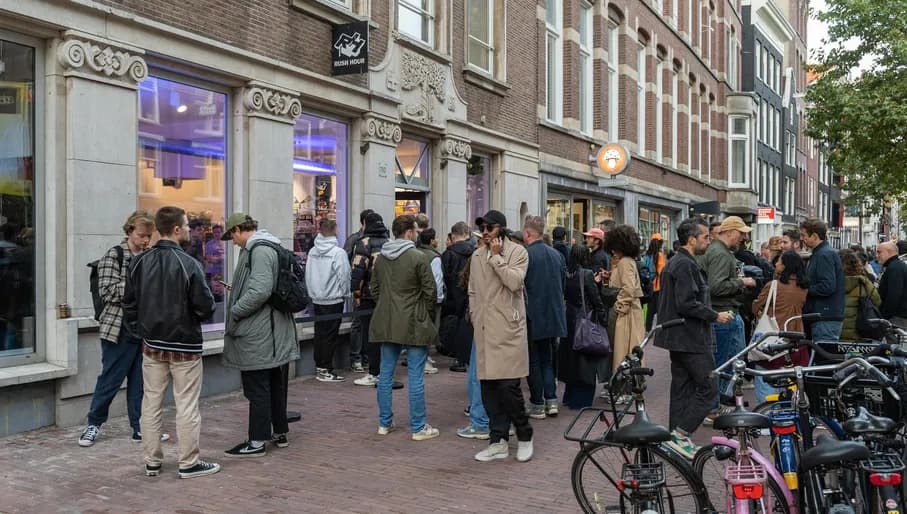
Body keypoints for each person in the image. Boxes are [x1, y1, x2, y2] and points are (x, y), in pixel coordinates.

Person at [123, 206, 220, 479]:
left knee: (151, 403)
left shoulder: (140, 261)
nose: (190, 229)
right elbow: (204, 306)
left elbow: (129, 304)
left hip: (152, 343)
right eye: (187, 225)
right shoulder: (189, 264)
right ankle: (188, 462)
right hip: (184, 345)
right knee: (186, 404)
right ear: (176, 229)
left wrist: (140, 330)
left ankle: (151, 460)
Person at [79, 211, 165, 447]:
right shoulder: (114, 255)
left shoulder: (149, 256)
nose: (146, 240)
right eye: (141, 235)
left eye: (149, 236)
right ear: (129, 232)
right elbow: (107, 291)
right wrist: (137, 281)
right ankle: (93, 425)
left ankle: (139, 428)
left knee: (140, 383)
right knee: (110, 380)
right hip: (118, 329)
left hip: (143, 328)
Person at [220, 213, 299, 457]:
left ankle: (256, 441)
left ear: (237, 230)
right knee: (273, 383)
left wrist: (235, 309)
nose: (233, 242)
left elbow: (260, 291)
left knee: (257, 387)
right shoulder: (267, 246)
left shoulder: (259, 250)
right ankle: (279, 432)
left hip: (261, 332)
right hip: (270, 330)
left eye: (232, 236)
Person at [654, 217, 731, 460]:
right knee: (709, 387)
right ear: (691, 239)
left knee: (682, 388)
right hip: (690, 337)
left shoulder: (678, 262)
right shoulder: (685, 265)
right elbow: (687, 303)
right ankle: (680, 433)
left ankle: (673, 440)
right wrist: (714, 315)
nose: (709, 241)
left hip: (677, 336)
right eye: (706, 237)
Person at [469, 210, 534, 463]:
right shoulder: (476, 256)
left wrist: (497, 259)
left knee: (509, 388)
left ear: (502, 229)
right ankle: (497, 441)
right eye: (482, 227)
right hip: (485, 329)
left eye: (490, 227)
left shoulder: (518, 252)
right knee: (488, 390)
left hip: (508, 330)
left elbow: (515, 282)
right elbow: (473, 290)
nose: (485, 232)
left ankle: (525, 434)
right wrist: (475, 316)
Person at [369, 214, 440, 441]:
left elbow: (375, 289)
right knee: (416, 375)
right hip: (413, 320)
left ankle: (384, 422)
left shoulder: (380, 259)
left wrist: (385, 306)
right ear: (409, 232)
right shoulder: (418, 257)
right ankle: (418, 427)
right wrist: (425, 315)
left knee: (385, 373)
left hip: (387, 320)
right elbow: (430, 292)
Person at [700, 216, 756, 420]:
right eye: (741, 233)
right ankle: (715, 407)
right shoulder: (721, 254)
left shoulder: (716, 251)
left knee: (727, 361)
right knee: (727, 362)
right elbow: (716, 287)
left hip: (723, 314)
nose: (743, 237)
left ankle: (718, 403)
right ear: (730, 232)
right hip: (724, 315)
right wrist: (742, 282)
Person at [522, 215, 567, 419]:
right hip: (554, 314)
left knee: (533, 361)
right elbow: (563, 285)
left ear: (528, 233)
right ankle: (551, 400)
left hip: (533, 315)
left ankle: (537, 403)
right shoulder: (556, 255)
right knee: (548, 359)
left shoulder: (526, 255)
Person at [751, 251, 809, 403]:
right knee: (790, 383)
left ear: (785, 266)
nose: (776, 264)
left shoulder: (773, 285)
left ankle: (767, 416)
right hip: (796, 340)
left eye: (779, 262)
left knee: (765, 380)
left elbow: (756, 307)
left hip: (773, 339)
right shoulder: (803, 287)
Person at [558, 244, 608, 409]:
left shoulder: (567, 273)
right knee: (585, 362)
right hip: (585, 321)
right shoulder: (586, 274)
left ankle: (569, 396)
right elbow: (596, 300)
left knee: (571, 360)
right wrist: (604, 318)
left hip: (569, 319)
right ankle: (582, 400)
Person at [350, 212, 396, 388]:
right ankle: (386, 371)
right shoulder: (389, 243)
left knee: (370, 334)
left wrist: (356, 294)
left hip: (368, 296)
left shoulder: (364, 243)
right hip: (388, 296)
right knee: (385, 334)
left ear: (365, 224)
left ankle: (374, 372)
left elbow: (358, 270)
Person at [306, 219, 351, 383]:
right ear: (334, 230)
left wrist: (312, 292)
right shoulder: (338, 253)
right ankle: (325, 369)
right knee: (330, 335)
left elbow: (308, 274)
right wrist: (345, 294)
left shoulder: (312, 251)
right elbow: (344, 276)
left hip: (317, 298)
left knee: (320, 333)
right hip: (333, 299)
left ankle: (320, 366)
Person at [604, 225, 645, 405]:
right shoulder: (628, 261)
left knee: (623, 352)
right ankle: (626, 388)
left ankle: (626, 390)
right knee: (626, 352)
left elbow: (628, 288)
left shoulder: (625, 262)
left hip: (625, 315)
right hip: (629, 312)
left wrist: (618, 307)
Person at [800, 218, 845, 342]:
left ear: (814, 236)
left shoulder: (823, 255)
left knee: (823, 357)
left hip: (825, 317)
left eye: (804, 235)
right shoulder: (821, 253)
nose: (802, 239)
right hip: (825, 315)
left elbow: (827, 286)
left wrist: (804, 289)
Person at [440, 222, 475, 372]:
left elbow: (443, 276)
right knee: (466, 325)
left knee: (453, 325)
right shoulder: (474, 252)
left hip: (452, 295)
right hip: (469, 293)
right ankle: (465, 357)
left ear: (453, 236)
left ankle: (456, 355)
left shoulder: (448, 254)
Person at [344, 209, 374, 372]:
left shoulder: (374, 240)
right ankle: (356, 357)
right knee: (357, 323)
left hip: (371, 288)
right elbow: (346, 260)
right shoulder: (355, 240)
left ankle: (366, 356)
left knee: (368, 324)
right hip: (359, 288)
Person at [838, 249, 882, 342]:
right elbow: (877, 301)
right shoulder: (864, 283)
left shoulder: (835, 282)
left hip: (837, 330)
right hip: (859, 331)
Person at [416, 228, 444, 375]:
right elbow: (436, 281)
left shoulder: (416, 253)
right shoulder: (434, 257)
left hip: (416, 298)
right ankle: (424, 359)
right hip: (430, 299)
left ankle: (422, 358)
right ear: (432, 241)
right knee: (430, 329)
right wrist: (438, 299)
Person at [877, 242, 907, 332]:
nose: (877, 255)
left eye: (879, 252)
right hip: (898, 316)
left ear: (889, 252)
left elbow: (894, 294)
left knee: (893, 344)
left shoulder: (894, 268)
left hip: (897, 318)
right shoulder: (896, 266)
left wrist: (884, 316)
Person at [642, 233, 667, 331]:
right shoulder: (660, 255)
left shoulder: (646, 255)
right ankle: (660, 331)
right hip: (658, 286)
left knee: (650, 311)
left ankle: (648, 329)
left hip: (649, 286)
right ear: (660, 243)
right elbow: (662, 272)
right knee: (660, 310)